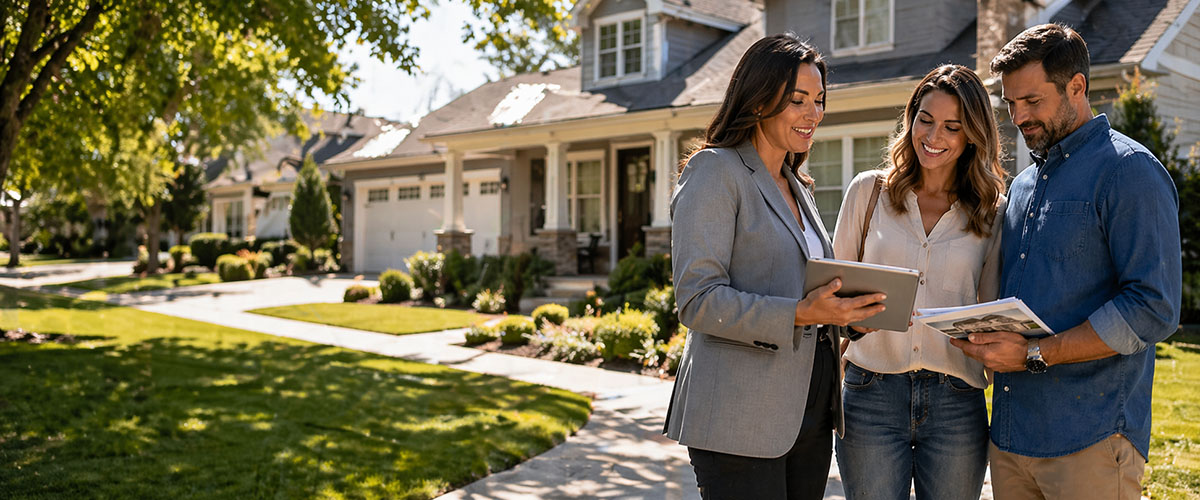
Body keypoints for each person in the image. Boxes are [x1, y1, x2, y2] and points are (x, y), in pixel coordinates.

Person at [951, 23, 1182, 499]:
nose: (1018, 116)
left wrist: (1035, 354)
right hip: (1012, 440)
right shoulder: (1021, 187)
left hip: (1092, 440)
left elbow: (1153, 306)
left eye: (1032, 101)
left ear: (1076, 86)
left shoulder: (1128, 171)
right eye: (1011, 104)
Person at [663, 33, 886, 499]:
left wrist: (846, 317)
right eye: (798, 100)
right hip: (738, 416)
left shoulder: (797, 186)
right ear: (759, 98)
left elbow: (802, 287)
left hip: (808, 410)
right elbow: (697, 300)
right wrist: (801, 313)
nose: (813, 114)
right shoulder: (715, 171)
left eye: (819, 101)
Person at [831, 64, 1008, 500]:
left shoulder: (992, 211)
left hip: (956, 400)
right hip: (870, 392)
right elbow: (829, 296)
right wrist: (852, 322)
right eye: (925, 119)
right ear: (910, 117)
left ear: (972, 136)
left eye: (952, 126)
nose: (933, 136)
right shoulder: (867, 192)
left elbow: (989, 305)